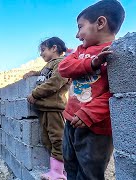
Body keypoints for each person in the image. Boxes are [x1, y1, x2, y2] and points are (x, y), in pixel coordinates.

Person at [58, 0, 125, 179]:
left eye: (80, 27)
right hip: (71, 121)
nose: (77, 34)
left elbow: (116, 94)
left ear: (100, 23)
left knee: (89, 172)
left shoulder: (117, 52)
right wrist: (92, 63)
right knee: (70, 164)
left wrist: (88, 114)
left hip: (96, 129)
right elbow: (64, 68)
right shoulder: (81, 51)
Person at [26, 37, 70, 180]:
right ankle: (58, 170)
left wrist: (35, 93)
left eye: (43, 50)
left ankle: (58, 173)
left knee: (57, 139)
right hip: (45, 108)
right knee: (47, 139)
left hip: (54, 108)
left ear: (54, 48)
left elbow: (54, 82)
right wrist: (34, 73)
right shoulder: (50, 65)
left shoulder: (62, 63)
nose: (41, 54)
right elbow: (44, 76)